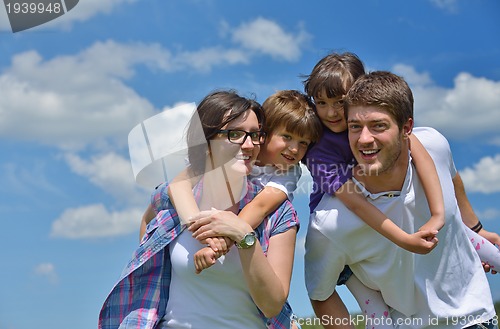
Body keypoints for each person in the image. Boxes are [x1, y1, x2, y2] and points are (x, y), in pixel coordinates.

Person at [304, 71, 497, 329]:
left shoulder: (434, 146)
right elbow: (320, 293)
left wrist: (475, 227)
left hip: (477, 319)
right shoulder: (329, 223)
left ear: (406, 128)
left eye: (378, 125)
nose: (364, 139)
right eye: (355, 127)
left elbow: (452, 177)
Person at [99, 90, 300, 328]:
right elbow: (147, 223)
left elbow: (272, 305)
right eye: (235, 134)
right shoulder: (172, 198)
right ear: (205, 142)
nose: (249, 145)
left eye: (255, 135)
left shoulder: (278, 213)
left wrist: (244, 236)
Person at [141, 89, 321, 274]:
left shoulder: (288, 172)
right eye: (287, 137)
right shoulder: (228, 153)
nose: (294, 149)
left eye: (304, 143)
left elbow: (259, 207)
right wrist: (201, 230)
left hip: (250, 236)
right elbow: (178, 185)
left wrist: (222, 241)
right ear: (264, 132)